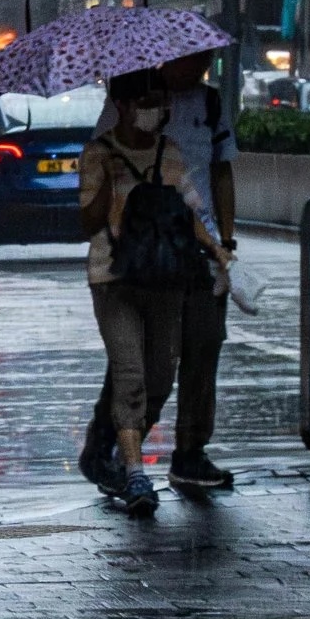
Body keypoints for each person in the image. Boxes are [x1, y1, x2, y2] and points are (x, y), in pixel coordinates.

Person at [78, 49, 238, 496]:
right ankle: (112, 452)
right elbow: (104, 172)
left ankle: (190, 452)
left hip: (193, 254)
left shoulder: (210, 103)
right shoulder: (129, 99)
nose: (202, 65)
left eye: (208, 57)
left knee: (202, 347)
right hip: (135, 262)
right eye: (194, 58)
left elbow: (221, 171)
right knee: (139, 366)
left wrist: (224, 241)